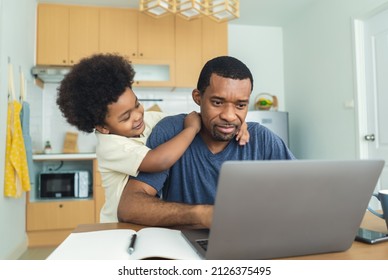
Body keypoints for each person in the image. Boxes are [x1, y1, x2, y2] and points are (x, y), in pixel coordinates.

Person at [56, 54, 249, 222]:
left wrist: (236, 124)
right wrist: (191, 130)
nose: (138, 115)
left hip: (147, 218)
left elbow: (192, 119)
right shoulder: (110, 146)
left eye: (137, 104)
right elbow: (158, 161)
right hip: (118, 224)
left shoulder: (146, 120)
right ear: (103, 127)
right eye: (125, 117)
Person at [116, 56, 295, 228]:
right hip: (183, 246)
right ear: (197, 97)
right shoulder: (171, 131)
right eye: (217, 102)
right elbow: (129, 206)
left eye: (240, 105)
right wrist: (203, 215)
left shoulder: (262, 139)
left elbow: (301, 194)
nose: (229, 116)